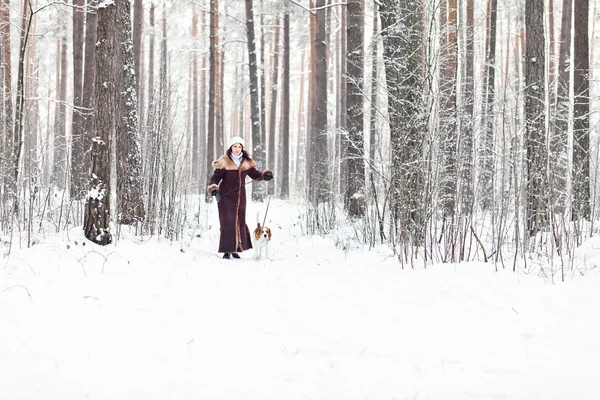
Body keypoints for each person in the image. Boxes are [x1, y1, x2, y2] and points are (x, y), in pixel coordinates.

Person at [207, 136, 273, 259]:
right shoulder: (224, 161)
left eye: (239, 146)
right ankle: (227, 251)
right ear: (230, 148)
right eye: (234, 146)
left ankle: (236, 249)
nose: (237, 149)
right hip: (225, 196)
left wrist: (265, 175)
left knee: (239, 221)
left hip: (240, 198)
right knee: (227, 222)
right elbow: (215, 178)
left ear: (242, 148)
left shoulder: (246, 162)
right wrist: (214, 188)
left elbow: (255, 175)